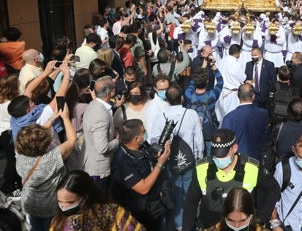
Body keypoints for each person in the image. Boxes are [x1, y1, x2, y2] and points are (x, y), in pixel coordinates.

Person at [182, 128, 280, 231]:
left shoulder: (252, 168)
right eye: (216, 155)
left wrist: (260, 219)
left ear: (234, 148)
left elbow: (273, 189)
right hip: (209, 226)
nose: (219, 159)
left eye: (223, 154)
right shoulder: (202, 167)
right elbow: (191, 202)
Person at [149, 84, 204, 230]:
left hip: (168, 161)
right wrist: (199, 157)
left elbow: (153, 140)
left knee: (171, 193)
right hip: (189, 161)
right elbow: (199, 140)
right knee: (188, 195)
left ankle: (173, 224)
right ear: (182, 98)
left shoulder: (162, 117)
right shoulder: (191, 114)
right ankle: (185, 225)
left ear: (166, 99)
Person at [15, 104, 76, 231]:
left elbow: (33, 139)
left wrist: (51, 119)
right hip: (50, 206)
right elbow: (72, 140)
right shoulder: (52, 158)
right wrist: (65, 118)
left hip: (30, 203)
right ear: (44, 144)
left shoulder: (19, 153)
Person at [112, 119, 171, 229]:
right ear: (136, 139)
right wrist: (160, 164)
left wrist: (158, 155)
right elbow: (143, 188)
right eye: (143, 132)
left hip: (153, 206)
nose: (145, 133)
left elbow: (149, 158)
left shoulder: (142, 146)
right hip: (138, 213)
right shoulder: (123, 162)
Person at [51, 170, 144, 231]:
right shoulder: (58, 220)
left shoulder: (111, 212)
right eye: (60, 201)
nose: (63, 206)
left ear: (85, 197)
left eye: (70, 202)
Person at [82, 76, 123, 195]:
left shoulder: (93, 104)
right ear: (109, 93)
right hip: (99, 170)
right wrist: (118, 141)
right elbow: (103, 147)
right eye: (114, 89)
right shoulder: (100, 115)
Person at [0, 74, 22, 196]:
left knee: (11, 161)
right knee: (13, 162)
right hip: (9, 135)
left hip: (1, 134)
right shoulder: (11, 104)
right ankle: (7, 187)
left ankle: (12, 183)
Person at [221, 83, 269, 160]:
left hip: (237, 161)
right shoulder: (263, 114)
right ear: (253, 97)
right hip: (257, 158)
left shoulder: (229, 118)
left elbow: (225, 143)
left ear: (238, 95)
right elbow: (265, 136)